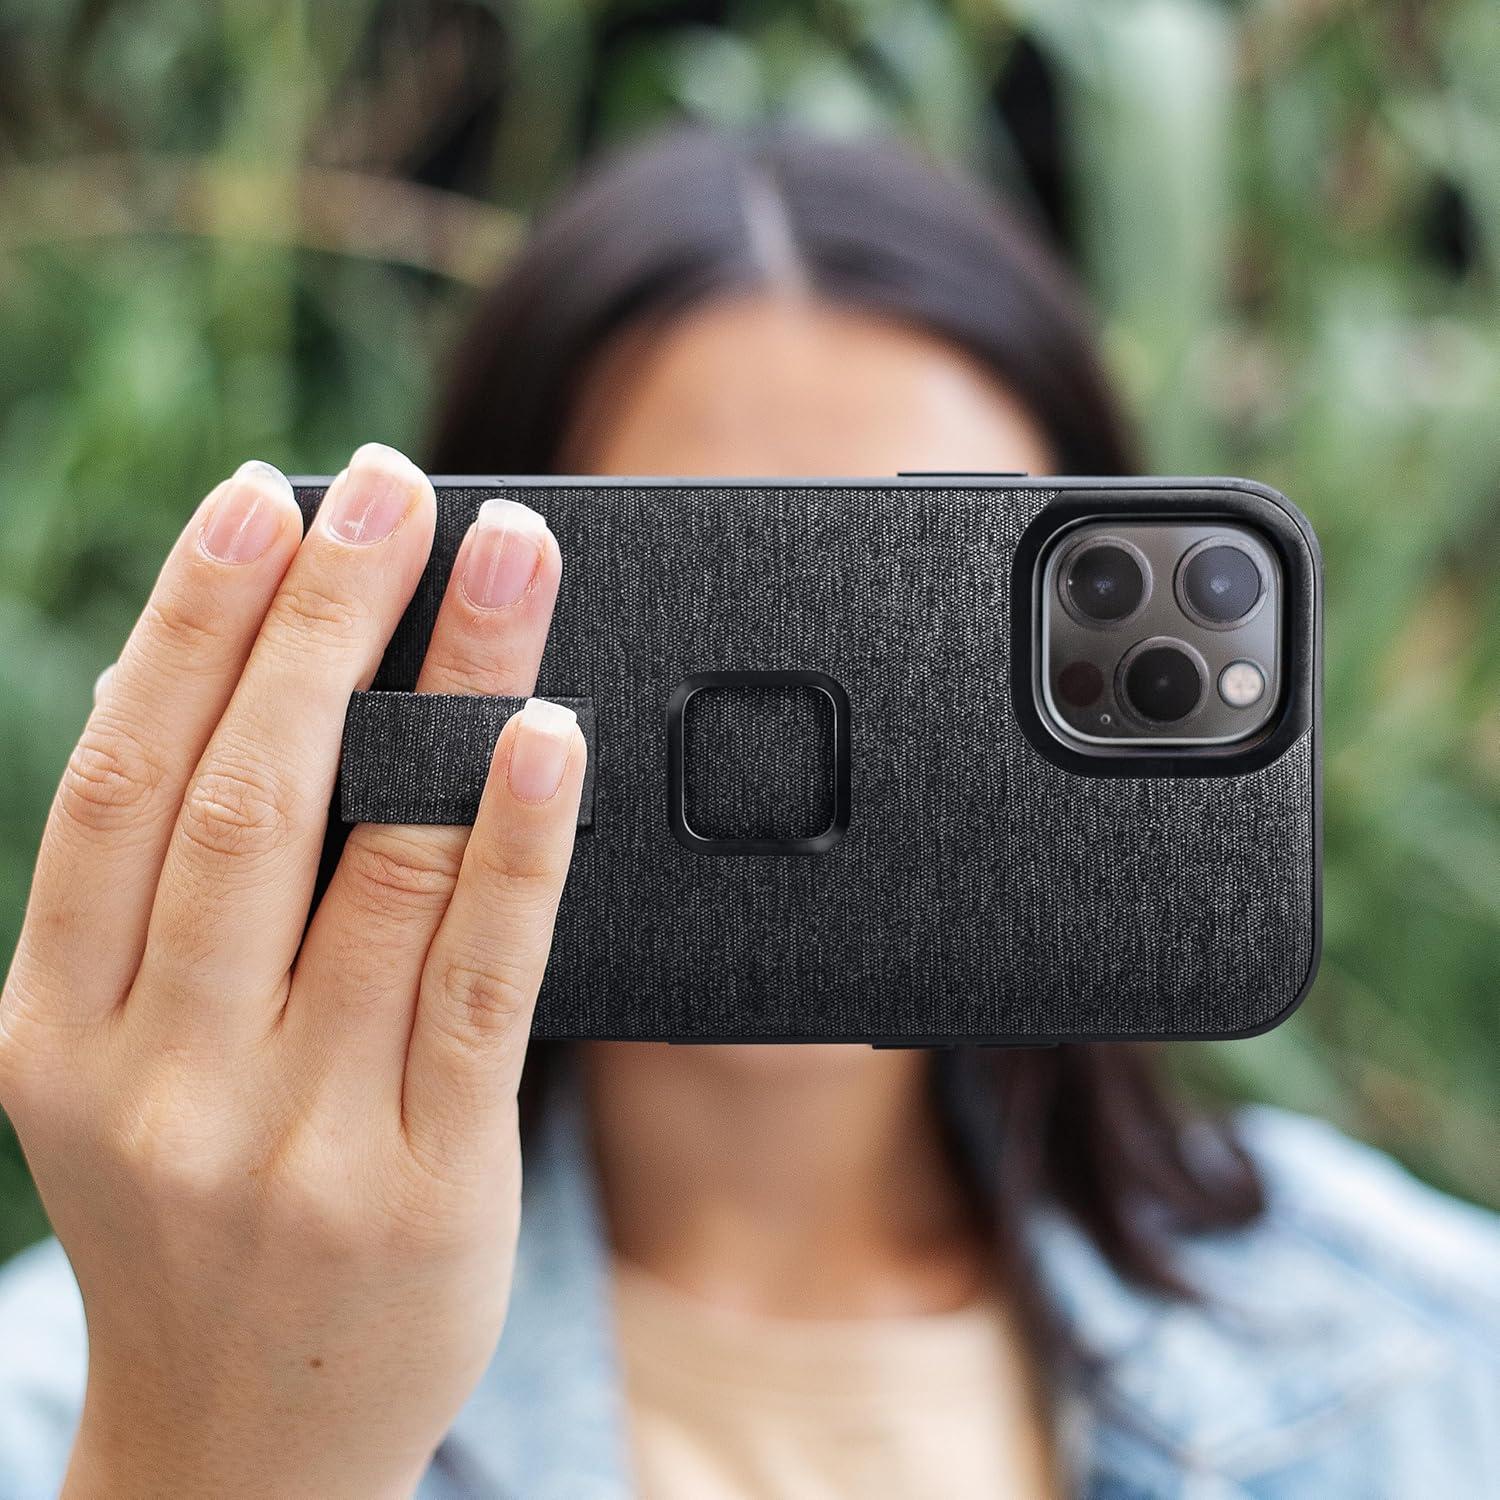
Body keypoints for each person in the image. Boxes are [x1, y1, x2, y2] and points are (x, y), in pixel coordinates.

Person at [0, 127, 1495, 1500]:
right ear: (452, 617)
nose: (804, 725)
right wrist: (217, 1445)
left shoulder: (1441, 1362)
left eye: (919, 590)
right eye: (719, 578)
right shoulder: (85, 1402)